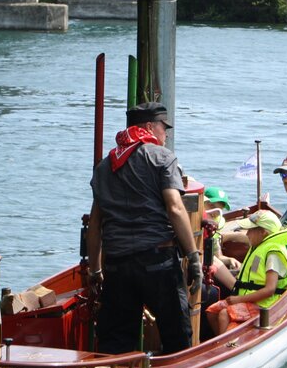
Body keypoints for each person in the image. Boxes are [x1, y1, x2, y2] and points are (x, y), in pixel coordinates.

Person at [86, 102, 203, 354]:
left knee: (115, 342)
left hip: (117, 266)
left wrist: (95, 271)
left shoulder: (105, 166)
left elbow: (96, 224)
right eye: (164, 127)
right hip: (157, 262)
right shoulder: (162, 157)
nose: (167, 134)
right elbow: (175, 207)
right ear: (150, 126)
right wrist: (193, 257)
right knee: (177, 336)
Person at [205, 210, 287, 335]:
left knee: (224, 314)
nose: (247, 234)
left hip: (265, 305)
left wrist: (239, 299)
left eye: (251, 230)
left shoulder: (273, 254)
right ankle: (220, 340)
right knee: (212, 311)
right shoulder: (260, 245)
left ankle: (225, 346)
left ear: (263, 232)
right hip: (249, 299)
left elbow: (270, 290)